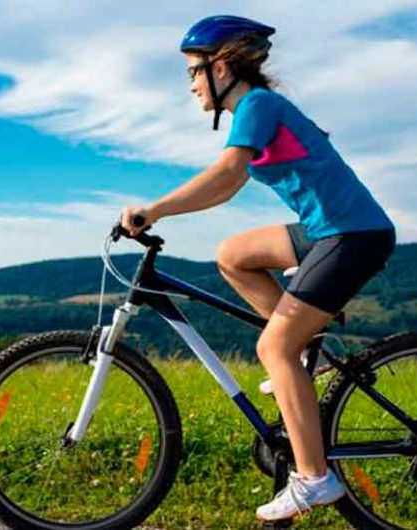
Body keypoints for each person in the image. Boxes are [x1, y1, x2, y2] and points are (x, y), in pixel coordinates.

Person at [120, 14, 396, 522]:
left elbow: (225, 178)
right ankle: (311, 348)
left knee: (273, 346)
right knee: (233, 256)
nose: (190, 86)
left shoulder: (257, 105)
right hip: (327, 231)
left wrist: (153, 210)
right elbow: (228, 184)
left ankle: (315, 479)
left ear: (220, 67)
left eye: (192, 72)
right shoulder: (260, 109)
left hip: (350, 235)